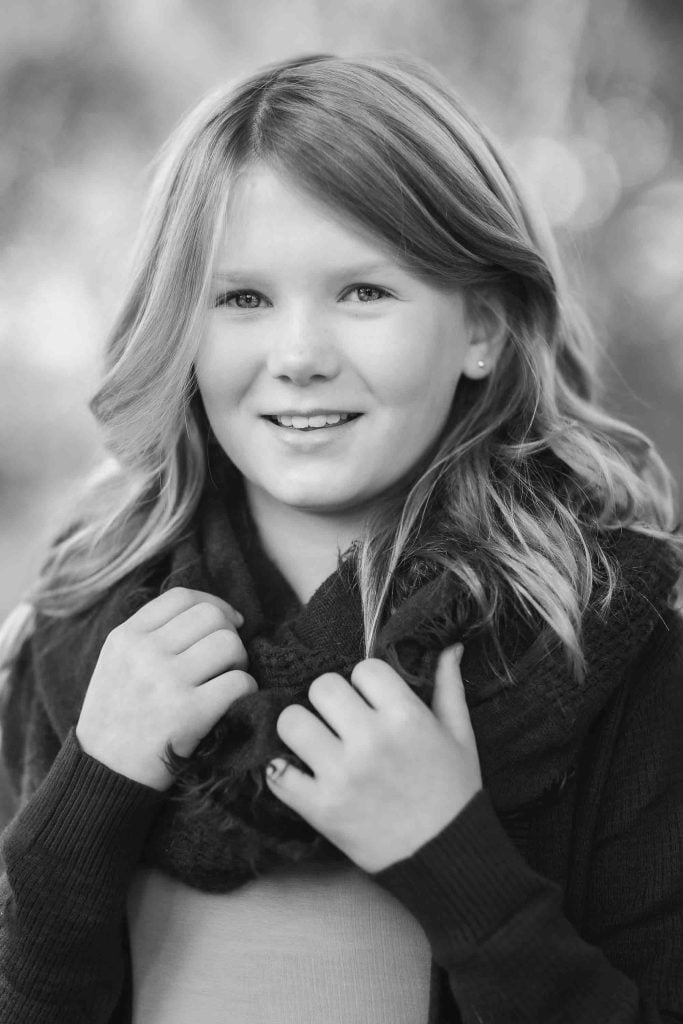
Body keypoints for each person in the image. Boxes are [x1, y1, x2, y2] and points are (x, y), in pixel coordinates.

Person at [0, 51, 681, 1024]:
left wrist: (455, 862)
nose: (300, 357)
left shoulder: (613, 642)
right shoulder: (80, 638)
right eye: (241, 298)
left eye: (363, 291)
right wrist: (75, 818)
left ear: (480, 325)